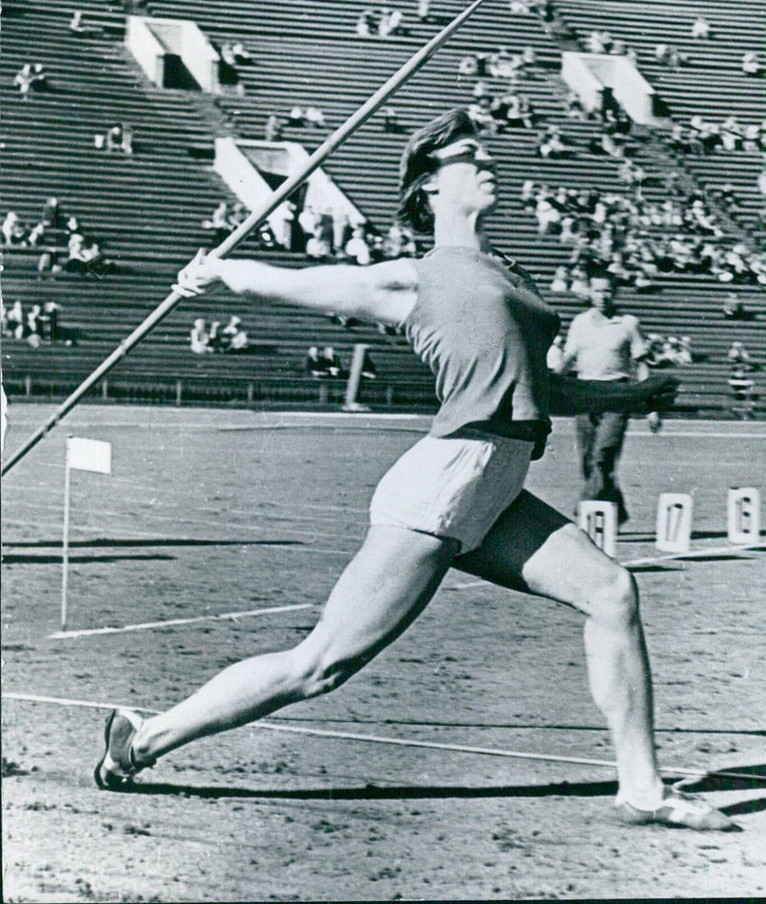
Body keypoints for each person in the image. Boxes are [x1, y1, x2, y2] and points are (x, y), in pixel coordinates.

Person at [93, 109, 731, 833]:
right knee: (322, 665)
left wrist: (632, 392)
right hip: (446, 482)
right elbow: (316, 285)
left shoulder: (508, 274)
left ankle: (643, 787)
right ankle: (141, 741)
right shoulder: (415, 277)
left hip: (494, 489)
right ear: (429, 188)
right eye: (468, 156)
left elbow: (543, 390)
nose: (486, 163)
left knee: (613, 592)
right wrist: (222, 270)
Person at [556, 273, 652, 528]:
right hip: (585, 393)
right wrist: (552, 381)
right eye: (597, 291)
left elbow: (641, 363)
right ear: (589, 292)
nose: (602, 296)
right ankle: (617, 511)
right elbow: (568, 358)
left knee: (603, 454)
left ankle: (584, 512)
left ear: (615, 292)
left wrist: (652, 407)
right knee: (589, 461)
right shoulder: (580, 322)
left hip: (616, 393)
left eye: (607, 291)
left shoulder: (628, 324)